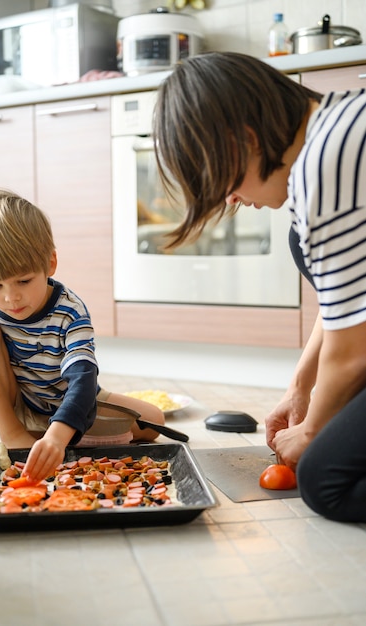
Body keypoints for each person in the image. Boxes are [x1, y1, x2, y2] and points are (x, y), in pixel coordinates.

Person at [153, 51, 366, 522]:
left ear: (246, 140)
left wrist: (313, 430)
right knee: (298, 239)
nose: (232, 199)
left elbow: (353, 351)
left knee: (325, 480)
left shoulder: (323, 165)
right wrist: (300, 389)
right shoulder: (337, 122)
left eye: (224, 180)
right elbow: (349, 304)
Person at [0, 189, 164, 481]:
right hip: (18, 408)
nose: (11, 298)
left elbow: (83, 379)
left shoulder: (70, 312)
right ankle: (15, 436)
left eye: (23, 281)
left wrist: (58, 436)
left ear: (50, 263)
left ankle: (54, 436)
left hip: (74, 403)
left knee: (154, 421)